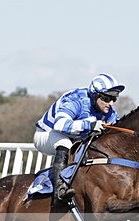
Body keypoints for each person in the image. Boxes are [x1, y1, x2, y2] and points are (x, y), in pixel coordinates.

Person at [34, 73, 125, 205]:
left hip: (73, 139)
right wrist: (89, 124)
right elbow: (59, 125)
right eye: (106, 98)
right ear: (95, 94)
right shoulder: (75, 100)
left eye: (114, 99)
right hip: (47, 134)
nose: (110, 103)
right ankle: (59, 191)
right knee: (64, 143)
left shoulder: (108, 111)